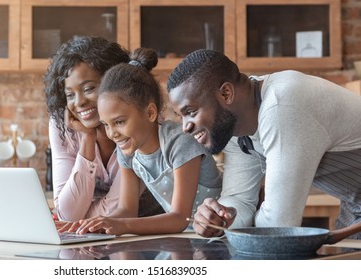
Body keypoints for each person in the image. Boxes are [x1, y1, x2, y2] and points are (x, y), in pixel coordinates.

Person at [166, 49, 361, 239]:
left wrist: (242, 225)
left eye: (190, 111)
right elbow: (240, 200)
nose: (185, 127)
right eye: (181, 116)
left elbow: (279, 225)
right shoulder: (236, 125)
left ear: (226, 93)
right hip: (354, 205)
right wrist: (221, 218)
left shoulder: (281, 106)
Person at [72, 48, 222, 236]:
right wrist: (89, 226)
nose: (112, 134)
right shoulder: (128, 151)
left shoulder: (180, 143)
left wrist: (123, 226)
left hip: (219, 234)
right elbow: (128, 210)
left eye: (119, 122)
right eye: (106, 125)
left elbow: (179, 218)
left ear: (150, 113)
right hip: (187, 237)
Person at [44, 36, 164, 221]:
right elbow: (66, 214)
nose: (79, 102)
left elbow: (118, 209)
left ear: (114, 83)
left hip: (150, 234)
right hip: (99, 236)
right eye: (70, 94)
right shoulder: (63, 126)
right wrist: (87, 138)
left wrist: (79, 216)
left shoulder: (139, 124)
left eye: (89, 88)